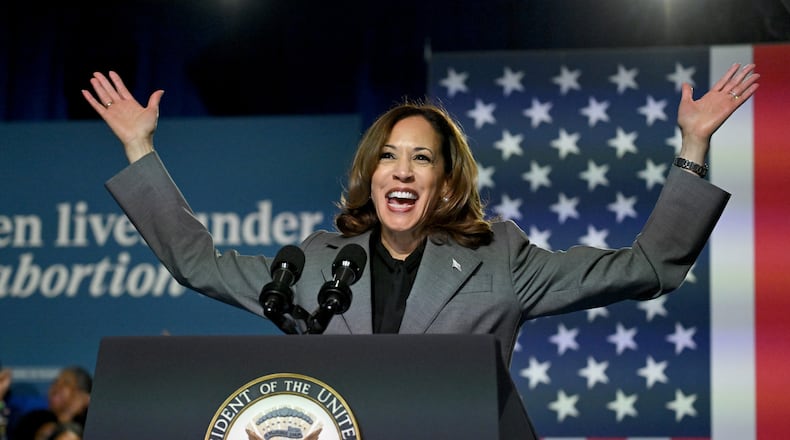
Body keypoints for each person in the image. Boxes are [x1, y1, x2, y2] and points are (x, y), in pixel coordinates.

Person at [81, 64, 758, 437]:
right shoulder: (317, 263)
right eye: (388, 157)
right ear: (371, 174)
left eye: (421, 159)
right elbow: (198, 263)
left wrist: (693, 146)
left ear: (445, 183)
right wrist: (139, 148)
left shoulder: (502, 259)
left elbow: (647, 267)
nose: (401, 171)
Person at [6, 367, 91, 440]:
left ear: (81, 394)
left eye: (66, 383)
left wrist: (68, 415)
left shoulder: (92, 426)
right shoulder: (32, 421)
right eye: (55, 382)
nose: (56, 387)